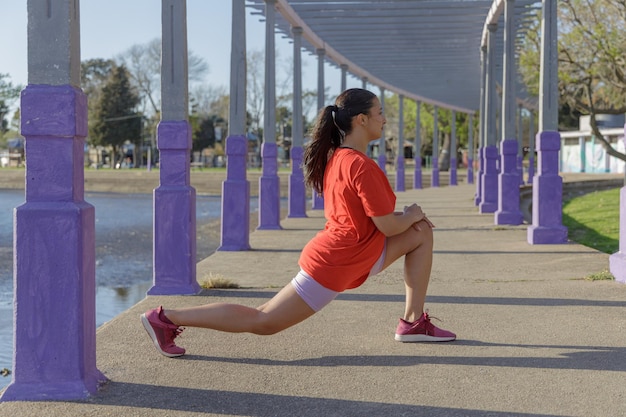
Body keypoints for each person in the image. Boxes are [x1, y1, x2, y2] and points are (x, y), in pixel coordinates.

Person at [141, 88, 455, 358]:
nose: (383, 119)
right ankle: (165, 318)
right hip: (337, 261)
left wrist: (414, 221)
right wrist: (412, 213)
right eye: (379, 113)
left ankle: (413, 322)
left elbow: (377, 223)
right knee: (264, 321)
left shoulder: (341, 158)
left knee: (421, 232)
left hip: (358, 253)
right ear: (362, 120)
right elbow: (387, 225)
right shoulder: (360, 165)